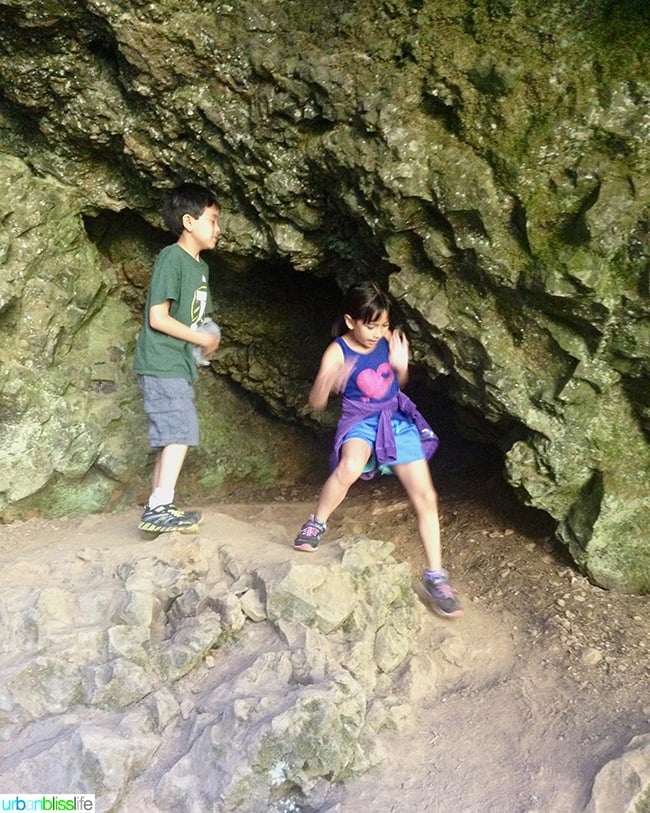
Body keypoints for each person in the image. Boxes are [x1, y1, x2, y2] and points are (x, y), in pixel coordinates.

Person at [293, 281, 461, 617]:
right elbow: (315, 401)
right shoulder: (337, 351)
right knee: (349, 466)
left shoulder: (386, 340)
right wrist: (329, 381)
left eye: (383, 325)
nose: (377, 332)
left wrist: (402, 368)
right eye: (371, 325)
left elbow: (395, 384)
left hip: (395, 418)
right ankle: (316, 523)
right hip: (359, 419)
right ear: (351, 320)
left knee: (426, 496)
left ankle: (435, 575)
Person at [133, 182, 221, 537]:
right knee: (181, 430)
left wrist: (207, 337)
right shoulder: (172, 258)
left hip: (177, 365)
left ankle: (156, 509)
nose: (218, 229)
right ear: (189, 221)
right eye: (213, 220)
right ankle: (159, 508)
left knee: (172, 433)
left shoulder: (200, 268)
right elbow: (158, 317)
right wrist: (202, 338)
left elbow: (199, 317)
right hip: (161, 362)